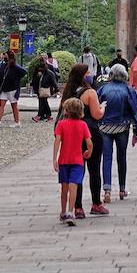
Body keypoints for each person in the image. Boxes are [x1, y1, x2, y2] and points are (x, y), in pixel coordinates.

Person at [59, 64, 109, 216]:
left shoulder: (68, 92)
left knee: (77, 170)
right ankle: (96, 203)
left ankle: (78, 207)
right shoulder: (90, 93)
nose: (91, 75)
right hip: (90, 132)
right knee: (94, 170)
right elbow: (96, 114)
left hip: (72, 134)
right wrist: (103, 107)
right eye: (88, 72)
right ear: (83, 76)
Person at [98, 63, 137, 202]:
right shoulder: (129, 90)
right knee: (121, 157)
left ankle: (107, 190)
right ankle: (122, 189)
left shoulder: (103, 89)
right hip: (122, 127)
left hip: (104, 127)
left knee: (107, 157)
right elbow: (135, 111)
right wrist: (136, 131)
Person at [53, 96, 92, 226]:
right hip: (78, 160)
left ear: (66, 111)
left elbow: (57, 141)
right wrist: (88, 152)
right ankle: (71, 211)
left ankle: (63, 212)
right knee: (73, 185)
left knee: (64, 187)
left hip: (64, 159)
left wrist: (54, 158)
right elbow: (89, 143)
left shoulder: (61, 124)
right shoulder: (83, 125)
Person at [0, 50, 25, 127]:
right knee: (1, 105)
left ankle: (17, 122)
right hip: (4, 88)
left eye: (5, 55)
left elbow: (24, 72)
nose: (3, 56)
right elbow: (1, 76)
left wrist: (16, 79)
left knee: (14, 106)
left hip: (12, 88)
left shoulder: (15, 66)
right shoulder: (3, 65)